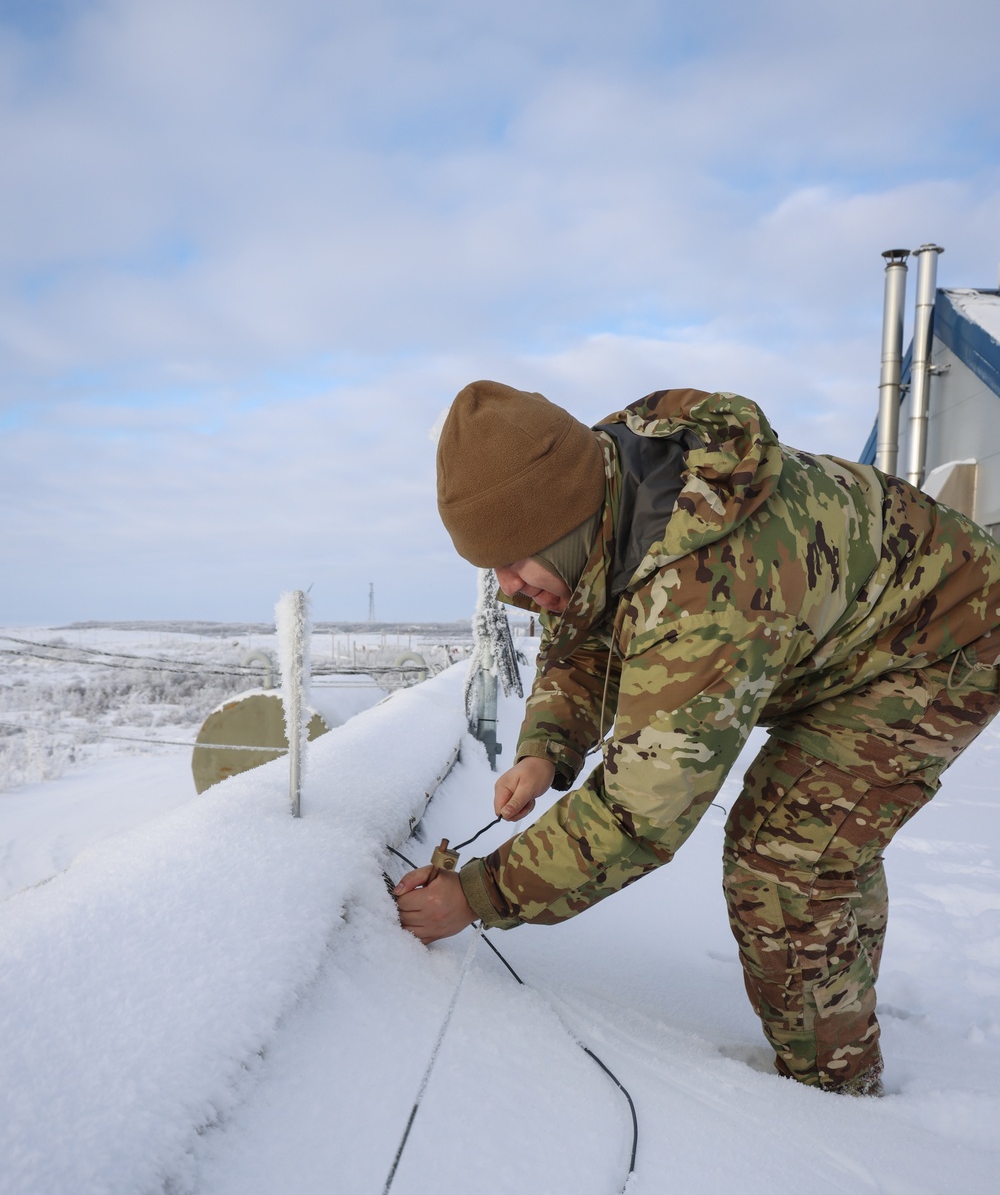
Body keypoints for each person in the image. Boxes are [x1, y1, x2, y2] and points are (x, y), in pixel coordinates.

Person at [394, 381, 1000, 1096]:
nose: (508, 588)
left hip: (943, 640)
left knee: (784, 861)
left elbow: (640, 813)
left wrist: (478, 894)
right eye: (490, 568)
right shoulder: (599, 486)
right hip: (842, 638)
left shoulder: (705, 579)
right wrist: (546, 746)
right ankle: (840, 995)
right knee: (822, 841)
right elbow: (583, 632)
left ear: (566, 522)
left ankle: (838, 1095)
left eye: (517, 562)